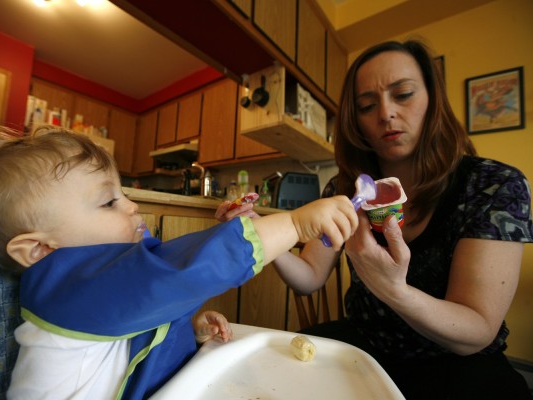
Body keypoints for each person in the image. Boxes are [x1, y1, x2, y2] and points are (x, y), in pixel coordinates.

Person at [217, 39, 533, 399]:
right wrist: (259, 231)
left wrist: (393, 289)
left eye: (404, 94)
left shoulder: (493, 185)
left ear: (433, 101)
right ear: (357, 121)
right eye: (367, 105)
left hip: (458, 364)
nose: (385, 113)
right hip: (365, 348)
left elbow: (476, 332)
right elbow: (308, 278)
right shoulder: (345, 188)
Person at [0, 126, 358, 400]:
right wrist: (294, 222)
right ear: (39, 250)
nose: (131, 206)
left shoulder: (92, 296)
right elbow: (181, 272)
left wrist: (188, 333)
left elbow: (131, 330)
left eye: (124, 194)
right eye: (109, 201)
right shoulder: (63, 285)